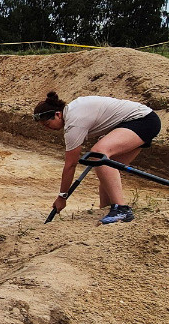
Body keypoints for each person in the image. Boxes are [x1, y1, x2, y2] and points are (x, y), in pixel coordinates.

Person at [33, 91, 162, 224]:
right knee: (107, 170)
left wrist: (62, 196)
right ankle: (106, 209)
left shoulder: (74, 122)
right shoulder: (73, 111)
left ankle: (121, 209)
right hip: (132, 123)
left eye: (47, 124)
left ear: (58, 114)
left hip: (143, 121)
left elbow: (71, 164)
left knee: (98, 154)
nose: (47, 129)